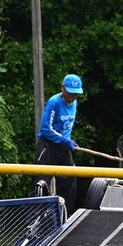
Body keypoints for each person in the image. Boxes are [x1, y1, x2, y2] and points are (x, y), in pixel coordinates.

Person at [33, 73, 83, 213]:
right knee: (40, 183)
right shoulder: (54, 102)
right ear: (62, 88)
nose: (72, 96)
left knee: (70, 181)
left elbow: (67, 127)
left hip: (63, 147)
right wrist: (64, 140)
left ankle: (64, 215)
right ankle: (37, 216)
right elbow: (45, 128)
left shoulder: (74, 103)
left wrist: (67, 141)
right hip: (48, 145)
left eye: (76, 94)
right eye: (70, 93)